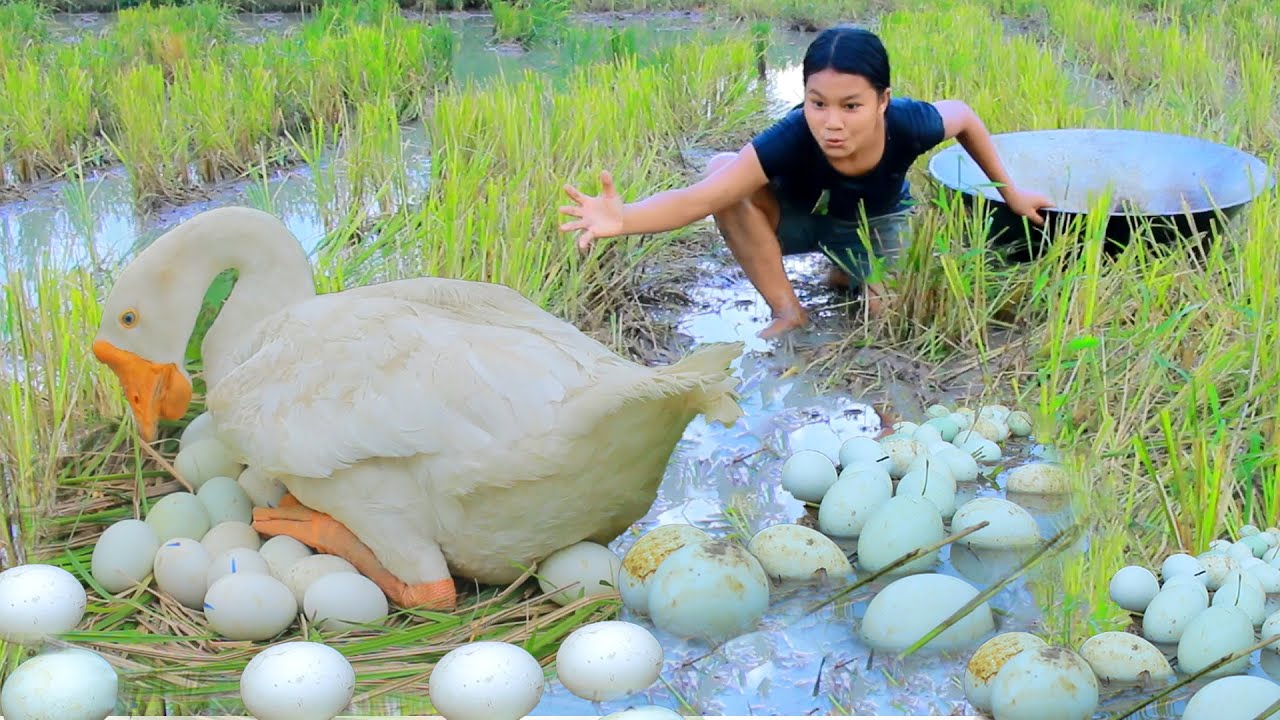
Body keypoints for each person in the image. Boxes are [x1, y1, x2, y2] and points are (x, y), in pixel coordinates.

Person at [558, 24, 1054, 339]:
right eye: (819, 103)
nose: (831, 123)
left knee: (887, 319)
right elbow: (700, 198)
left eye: (851, 106)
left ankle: (847, 268)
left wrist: (1011, 193)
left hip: (874, 221)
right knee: (722, 173)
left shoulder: (910, 122)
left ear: (883, 100)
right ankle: (788, 310)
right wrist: (625, 218)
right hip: (796, 221)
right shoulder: (792, 135)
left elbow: (965, 117)